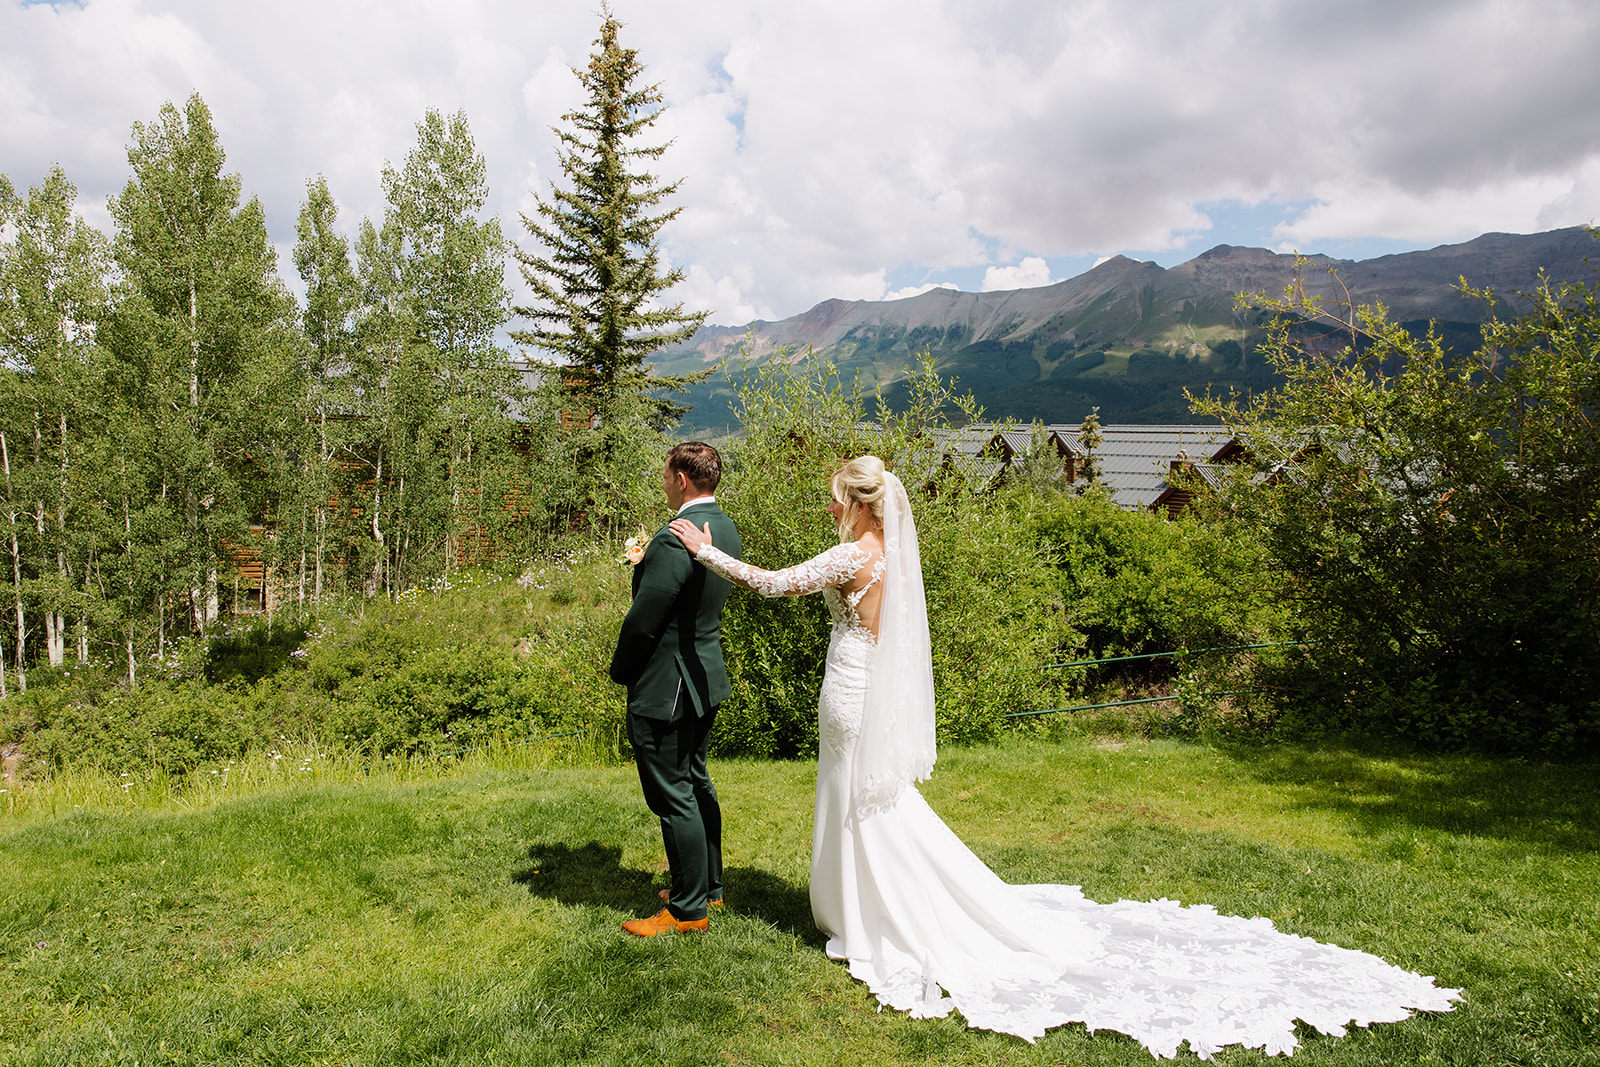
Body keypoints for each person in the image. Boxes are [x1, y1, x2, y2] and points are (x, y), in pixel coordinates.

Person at [670, 455, 1460, 1058]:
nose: (829, 505)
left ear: (855, 502)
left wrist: (704, 551)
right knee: (865, 799)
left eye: (834, 496)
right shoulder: (884, 555)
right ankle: (855, 908)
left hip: (850, 688)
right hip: (858, 678)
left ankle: (880, 916)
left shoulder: (853, 555)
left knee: (867, 803)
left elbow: (773, 584)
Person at [610, 441, 741, 937]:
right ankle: (706, 885)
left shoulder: (673, 539)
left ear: (682, 478)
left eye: (665, 475)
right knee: (696, 779)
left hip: (669, 683)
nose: (663, 482)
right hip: (705, 676)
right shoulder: (724, 528)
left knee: (674, 793)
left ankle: (688, 911)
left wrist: (623, 671)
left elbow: (645, 619)